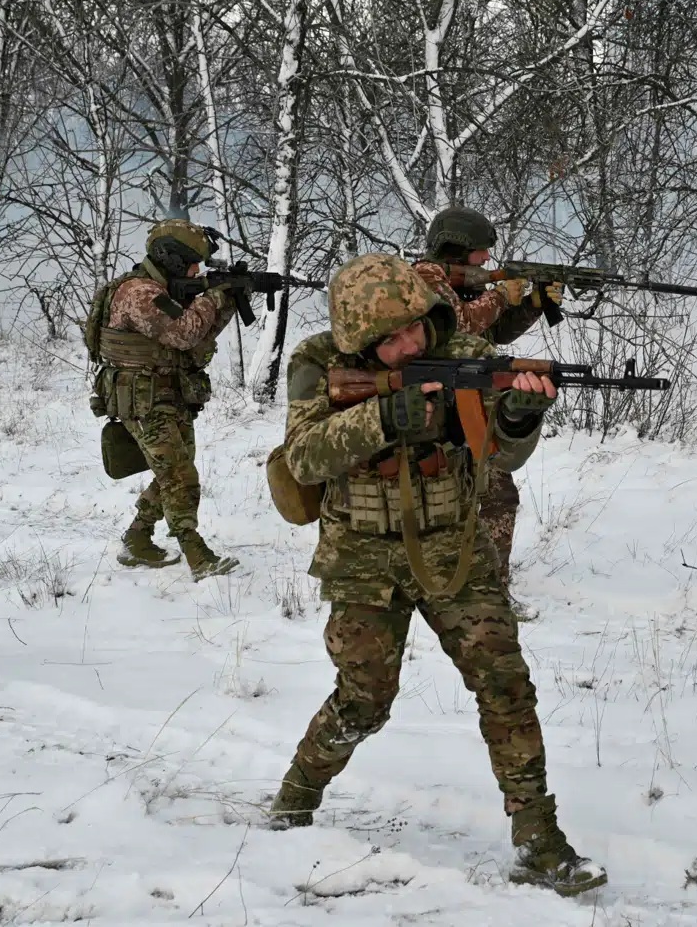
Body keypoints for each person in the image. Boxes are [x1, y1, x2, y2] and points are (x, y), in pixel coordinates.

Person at [267, 252, 605, 896]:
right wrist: (385, 418)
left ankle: (538, 838)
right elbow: (305, 456)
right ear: (356, 338)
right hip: (362, 556)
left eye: (415, 330)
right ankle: (296, 796)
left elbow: (500, 453)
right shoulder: (317, 363)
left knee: (505, 683)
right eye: (387, 340)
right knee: (365, 701)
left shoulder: (469, 351)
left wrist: (518, 416)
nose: (407, 345)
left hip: (454, 549)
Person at [411, 206, 563, 621]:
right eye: (479, 252)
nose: (486, 260)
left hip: (464, 400)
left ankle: (491, 588)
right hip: (430, 407)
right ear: (456, 248)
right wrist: (501, 294)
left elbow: (493, 332)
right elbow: (457, 327)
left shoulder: (457, 282)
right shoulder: (426, 278)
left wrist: (531, 303)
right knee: (473, 494)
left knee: (495, 492)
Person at [87, 219, 238, 581]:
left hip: (164, 394)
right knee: (179, 474)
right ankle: (196, 552)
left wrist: (230, 300)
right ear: (170, 259)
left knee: (176, 466)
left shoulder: (159, 288)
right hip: (141, 400)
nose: (197, 271)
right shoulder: (139, 294)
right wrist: (215, 296)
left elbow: (198, 334)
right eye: (191, 264)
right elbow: (184, 333)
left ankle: (138, 538)